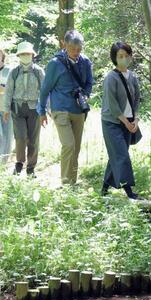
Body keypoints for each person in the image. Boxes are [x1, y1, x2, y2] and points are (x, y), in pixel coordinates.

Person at [38, 30, 94, 186]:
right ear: (64, 45)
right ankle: (65, 182)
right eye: (72, 49)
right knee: (68, 144)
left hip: (78, 110)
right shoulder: (55, 64)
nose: (76, 52)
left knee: (75, 148)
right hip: (60, 108)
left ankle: (72, 183)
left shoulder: (85, 61)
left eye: (79, 49)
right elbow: (45, 89)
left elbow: (90, 82)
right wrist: (41, 111)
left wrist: (85, 94)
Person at [100, 41, 142, 199]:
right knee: (122, 156)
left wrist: (135, 121)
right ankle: (130, 193)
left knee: (116, 155)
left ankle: (104, 189)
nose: (124, 58)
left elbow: (137, 100)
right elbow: (113, 105)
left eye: (126, 55)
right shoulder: (111, 78)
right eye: (120, 56)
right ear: (115, 58)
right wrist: (126, 123)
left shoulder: (132, 77)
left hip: (129, 122)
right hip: (112, 122)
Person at [4, 41, 44, 176]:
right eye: (23, 54)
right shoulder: (14, 72)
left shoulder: (39, 71)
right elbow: (8, 91)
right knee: (20, 137)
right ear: (19, 55)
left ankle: (31, 168)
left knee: (33, 139)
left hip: (35, 108)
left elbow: (44, 91)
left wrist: (45, 109)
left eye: (28, 53)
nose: (25, 56)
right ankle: (19, 163)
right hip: (18, 108)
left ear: (32, 55)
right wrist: (5, 109)